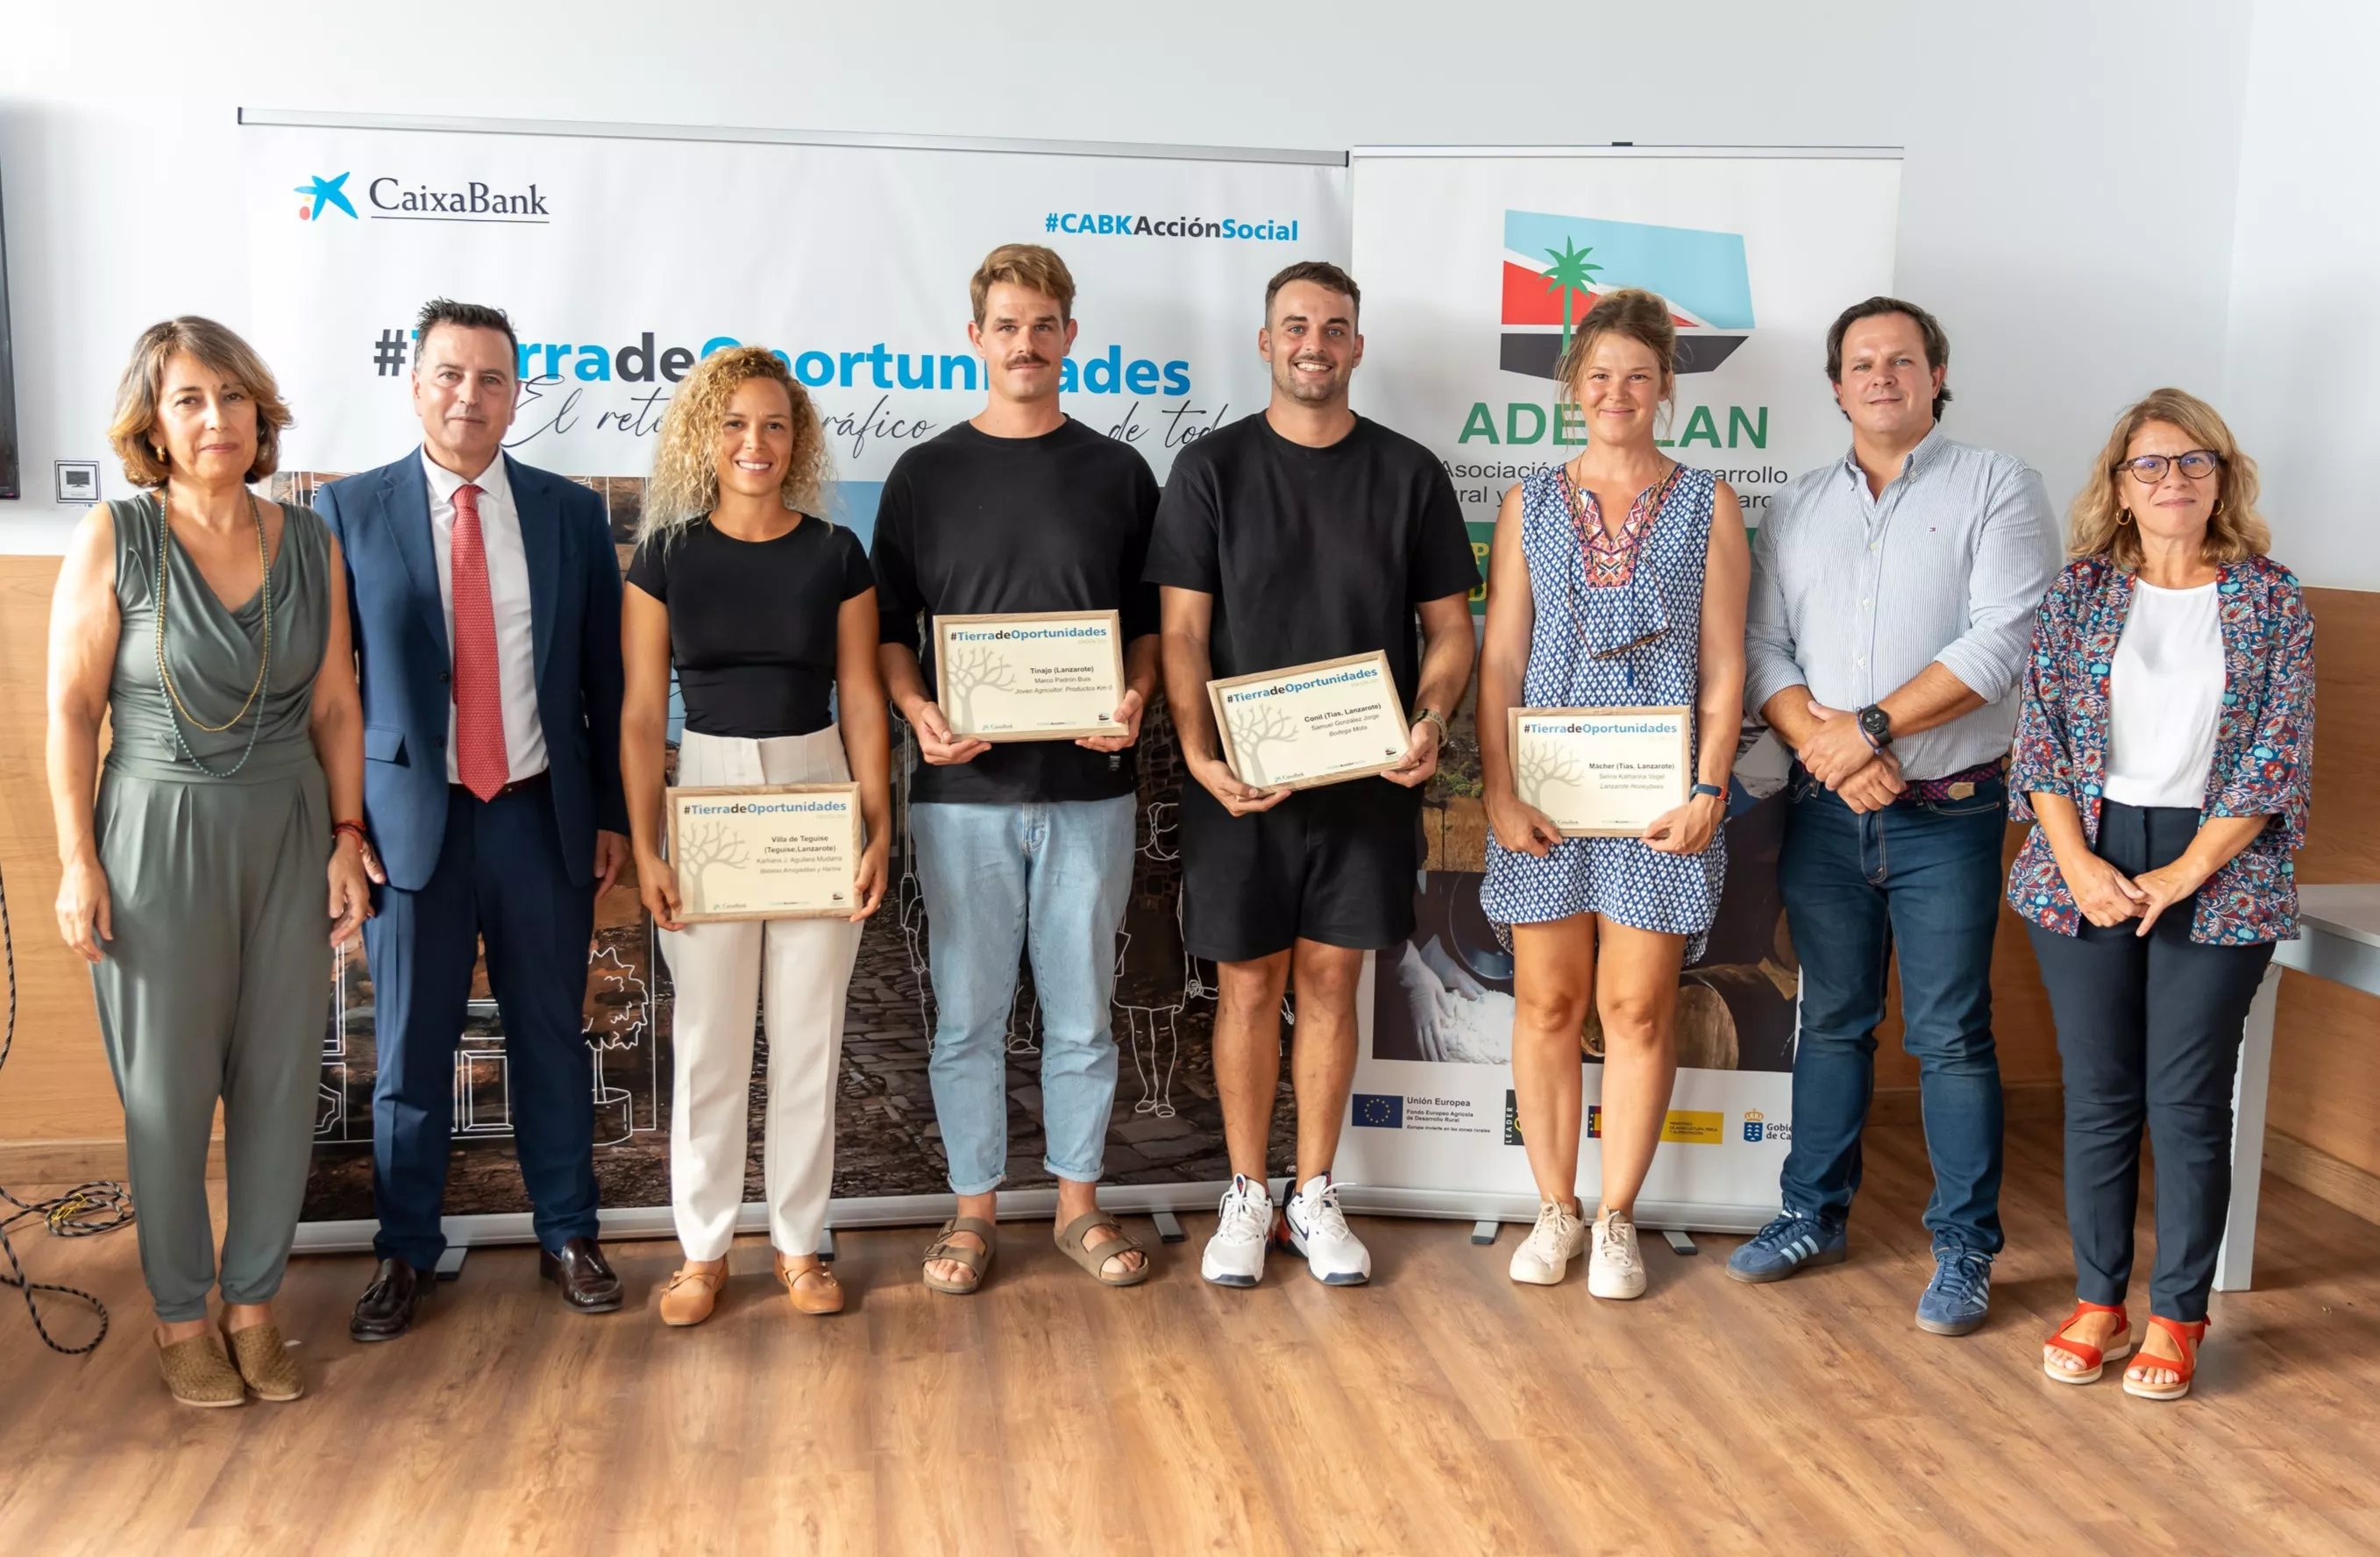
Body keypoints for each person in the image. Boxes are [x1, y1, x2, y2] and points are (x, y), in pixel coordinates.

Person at [46, 318, 375, 1406]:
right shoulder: (115, 535)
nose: (216, 420)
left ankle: (254, 1309)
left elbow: (335, 704)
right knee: (168, 1096)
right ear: (153, 421)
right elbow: (70, 709)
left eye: (233, 398)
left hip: (288, 830)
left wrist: (345, 840)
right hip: (152, 833)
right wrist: (77, 862)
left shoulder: (310, 540)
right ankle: (181, 1318)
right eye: (189, 400)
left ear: (261, 413)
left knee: (282, 1086)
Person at [1731, 296, 2059, 1335]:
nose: (1881, 375)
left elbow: (2004, 640)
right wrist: (1824, 743)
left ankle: (1963, 1251)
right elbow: (1762, 649)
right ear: (1835, 385)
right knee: (1830, 1021)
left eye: (1901, 360)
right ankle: (1809, 1216)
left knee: (1954, 1035)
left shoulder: (1999, 485)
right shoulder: (1794, 507)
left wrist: (1863, 729)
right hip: (1826, 817)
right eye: (1861, 362)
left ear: (1936, 374)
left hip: (1950, 814)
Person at [1149, 260, 1479, 1288]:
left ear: (1357, 348)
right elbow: (1183, 634)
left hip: (1369, 782)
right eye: (1295, 326)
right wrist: (1201, 755)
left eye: (1334, 328)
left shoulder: (1410, 473)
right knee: (1248, 986)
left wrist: (1430, 719)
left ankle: (1315, 1190)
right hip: (1241, 784)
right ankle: (1246, 1195)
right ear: (1265, 343)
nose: (1314, 344)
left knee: (1333, 983)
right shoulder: (1208, 471)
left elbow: (1450, 632)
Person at [316, 299, 631, 1339]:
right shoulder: (349, 513)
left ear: (515, 395)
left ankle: (568, 1233)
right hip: (414, 828)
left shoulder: (569, 515)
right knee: (409, 1050)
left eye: (492, 378)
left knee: (549, 1032)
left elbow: (603, 679)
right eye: (450, 374)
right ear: (415, 385)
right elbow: (334, 694)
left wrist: (614, 819)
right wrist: (345, 833)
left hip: (539, 816)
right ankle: (406, 1251)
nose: (470, 395)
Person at [870, 244, 1159, 1294]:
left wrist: (1135, 696)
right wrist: (915, 709)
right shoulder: (924, 474)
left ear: (1071, 337)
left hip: (1091, 792)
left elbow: (1150, 625)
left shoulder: (1119, 473)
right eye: (1006, 324)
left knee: (1084, 1014)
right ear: (975, 338)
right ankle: (973, 1210)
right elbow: (892, 629)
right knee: (968, 1016)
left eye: (1044, 324)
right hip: (961, 797)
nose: (1025, 342)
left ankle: (1079, 1207)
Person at [2014, 390, 2312, 1401]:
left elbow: (2275, 759)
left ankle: (2179, 1314)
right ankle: (2100, 1298)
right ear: (2119, 485)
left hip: (2222, 864)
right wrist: (2081, 865)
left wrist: (2186, 874)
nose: (2173, 479)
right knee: (2099, 1097)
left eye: (2193, 461)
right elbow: (2043, 742)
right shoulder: (2079, 595)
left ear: (2222, 477)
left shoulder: (2272, 599)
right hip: (2085, 856)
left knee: (2185, 1103)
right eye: (2150, 464)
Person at [1476, 289, 1749, 1296]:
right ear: (1572, 388)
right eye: (1599, 376)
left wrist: (1711, 784)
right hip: (1545, 801)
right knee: (1548, 1003)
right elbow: (1501, 659)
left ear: (1666, 387)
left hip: (1657, 805)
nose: (1618, 392)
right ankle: (1553, 1210)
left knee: (1636, 1010)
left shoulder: (1709, 502)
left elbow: (1724, 666)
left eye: (1638, 375)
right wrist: (1499, 789)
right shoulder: (1529, 504)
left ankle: (1618, 1217)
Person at [622, 347, 890, 1324]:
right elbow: (645, 713)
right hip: (710, 794)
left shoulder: (835, 553)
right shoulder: (666, 556)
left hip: (820, 787)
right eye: (735, 423)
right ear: (707, 434)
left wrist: (877, 823)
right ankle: (701, 1252)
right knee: (709, 1039)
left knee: (810, 1035)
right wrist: (650, 843)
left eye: (775, 425)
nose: (755, 443)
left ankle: (799, 1244)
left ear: (798, 440)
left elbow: (862, 695)